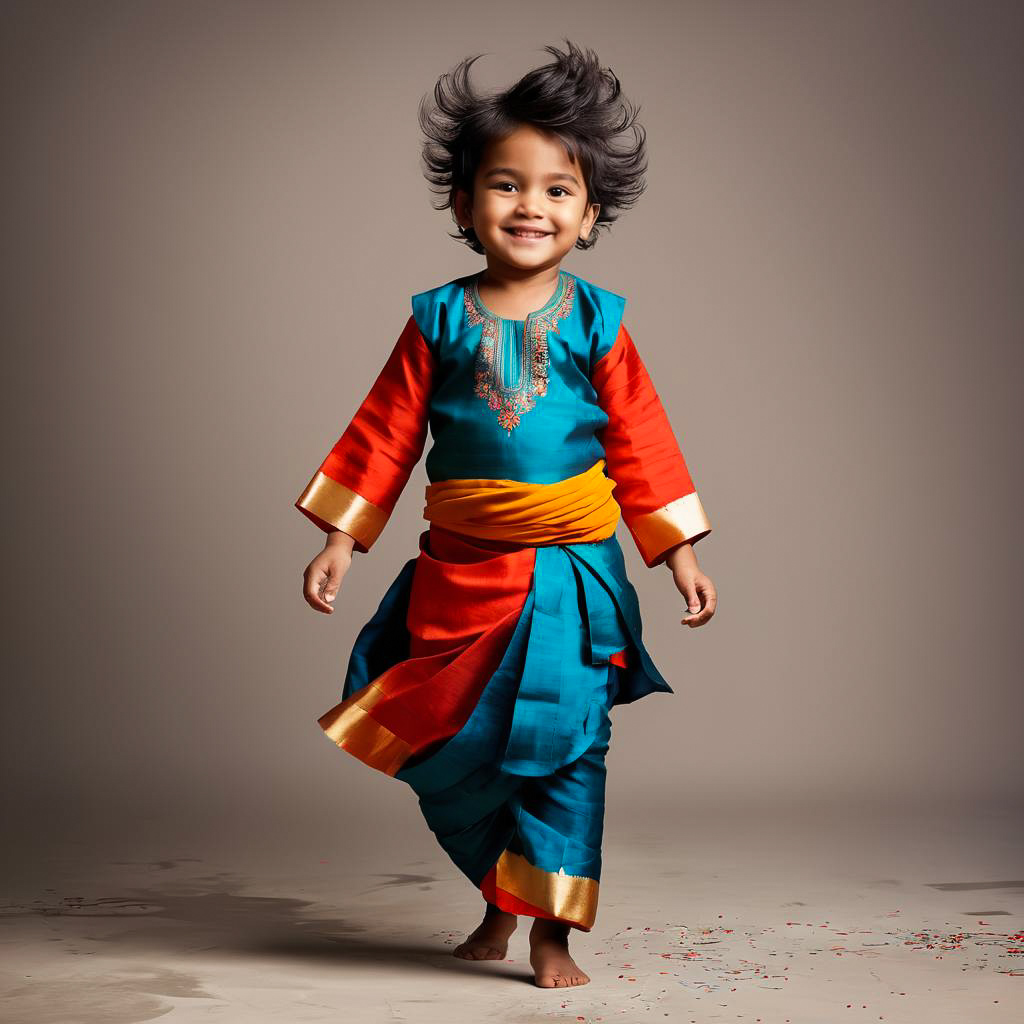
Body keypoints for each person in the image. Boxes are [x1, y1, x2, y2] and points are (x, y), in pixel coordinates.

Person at [294, 39, 717, 989]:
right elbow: (386, 433)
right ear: (463, 204)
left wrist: (680, 551)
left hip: (571, 580)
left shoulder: (599, 322)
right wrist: (339, 539)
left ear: (591, 216)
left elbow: (643, 442)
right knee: (470, 751)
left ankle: (550, 933)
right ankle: (498, 900)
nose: (531, 206)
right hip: (460, 579)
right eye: (506, 185)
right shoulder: (437, 320)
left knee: (565, 751)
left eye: (558, 191)